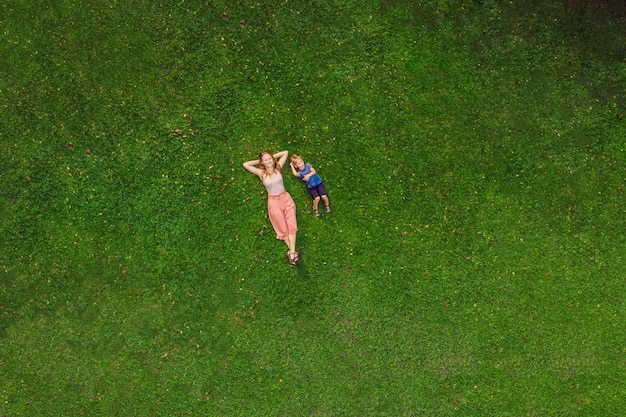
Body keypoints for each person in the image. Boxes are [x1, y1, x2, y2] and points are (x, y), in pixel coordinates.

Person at [243, 150, 299, 265]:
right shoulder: (261, 173)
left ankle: (292, 253)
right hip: (274, 203)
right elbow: (246, 164)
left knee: (292, 225)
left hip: (286, 199)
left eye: (269, 159)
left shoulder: (278, 167)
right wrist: (259, 161)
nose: (268, 161)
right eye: (265, 160)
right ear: (262, 163)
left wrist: (272, 158)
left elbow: (285, 153)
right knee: (283, 229)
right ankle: (292, 253)